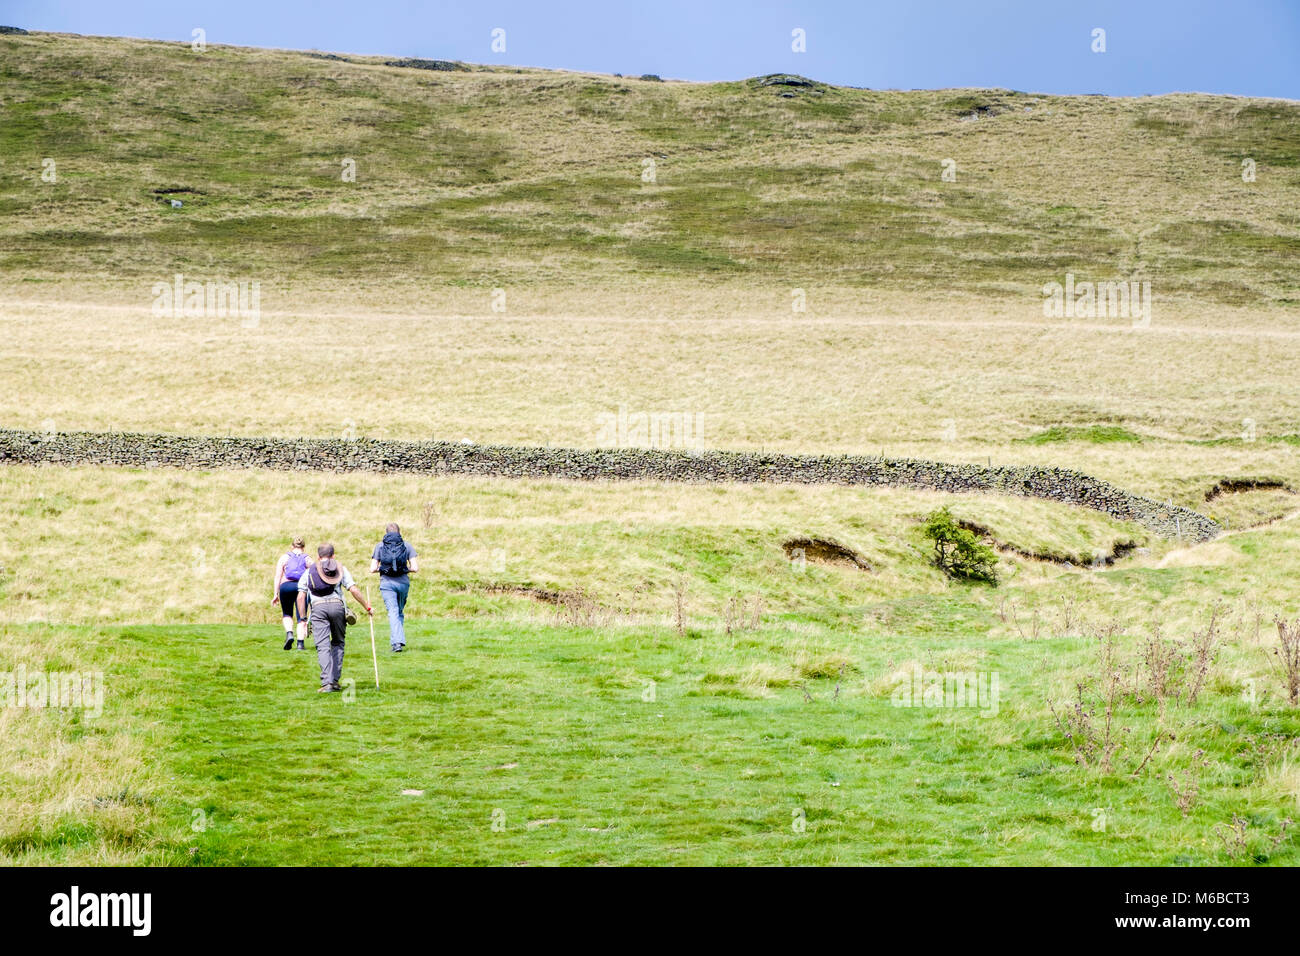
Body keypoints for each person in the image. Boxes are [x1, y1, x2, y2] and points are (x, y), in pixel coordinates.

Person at [297, 543, 373, 693]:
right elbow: (353, 589)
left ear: (318, 557)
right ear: (333, 555)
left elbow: (301, 596)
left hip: (318, 608)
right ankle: (335, 680)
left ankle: (327, 683)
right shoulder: (340, 568)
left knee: (323, 646)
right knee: (338, 642)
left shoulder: (310, 571)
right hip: (338, 607)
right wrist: (367, 607)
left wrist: (303, 619)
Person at [370, 522, 418, 652]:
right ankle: (398, 641)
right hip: (403, 583)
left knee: (393, 612)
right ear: (399, 532)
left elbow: (372, 569)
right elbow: (415, 568)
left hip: (386, 583)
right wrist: (403, 569)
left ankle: (397, 642)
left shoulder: (380, 546)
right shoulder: (407, 546)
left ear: (386, 533)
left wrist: (384, 568)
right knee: (399, 612)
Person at [272, 536, 313, 650]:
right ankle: (300, 644)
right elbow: (314, 575)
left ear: (292, 546)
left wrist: (275, 594)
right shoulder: (307, 559)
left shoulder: (284, 558)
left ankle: (289, 633)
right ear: (303, 547)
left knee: (287, 613)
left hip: (285, 587)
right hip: (301, 588)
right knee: (301, 617)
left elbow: (278, 576)